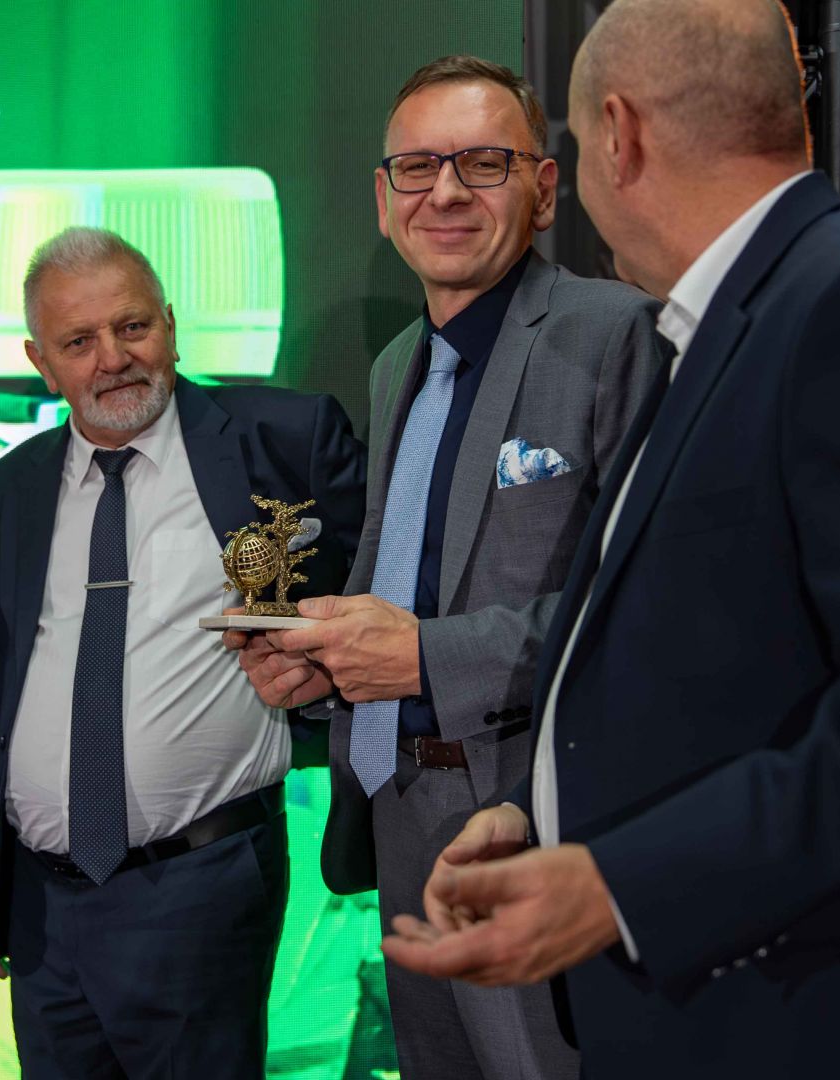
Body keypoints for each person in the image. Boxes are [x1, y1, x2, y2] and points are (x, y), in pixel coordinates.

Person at [383, 2, 840, 1078]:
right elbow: (724, 666)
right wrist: (546, 817)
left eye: (565, 148)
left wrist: (622, 883)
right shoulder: (725, 324)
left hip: (829, 1020)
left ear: (619, 136)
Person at [228, 56, 667, 1080]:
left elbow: (648, 610)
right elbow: (410, 585)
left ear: (544, 190)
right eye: (419, 167)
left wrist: (425, 657)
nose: (448, 192)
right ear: (384, 201)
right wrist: (326, 669)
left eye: (483, 162)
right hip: (397, 817)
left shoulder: (617, 332)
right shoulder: (399, 365)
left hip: (532, 820)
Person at [0, 226, 365, 1079]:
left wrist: (325, 680)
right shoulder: (4, 493)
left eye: (133, 327)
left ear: (173, 327)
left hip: (200, 890)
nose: (112, 359)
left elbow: (391, 595)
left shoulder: (282, 442)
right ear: (42, 363)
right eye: (79, 342)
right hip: (39, 909)